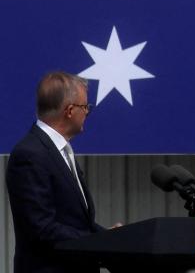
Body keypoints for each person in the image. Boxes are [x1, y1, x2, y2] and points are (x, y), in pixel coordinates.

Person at [6, 72, 109, 273]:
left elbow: (77, 223)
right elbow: (41, 228)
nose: (87, 112)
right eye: (85, 107)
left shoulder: (59, 150)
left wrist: (111, 239)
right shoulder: (29, 154)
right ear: (70, 111)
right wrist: (98, 241)